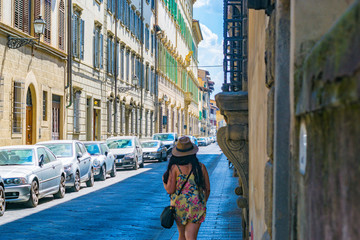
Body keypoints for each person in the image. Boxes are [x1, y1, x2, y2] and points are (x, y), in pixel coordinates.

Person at [163, 136, 211, 240]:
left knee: (182, 235)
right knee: (191, 236)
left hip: (179, 206)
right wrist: (201, 202)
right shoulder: (201, 167)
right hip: (197, 205)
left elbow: (170, 190)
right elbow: (207, 189)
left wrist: (164, 180)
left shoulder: (175, 168)